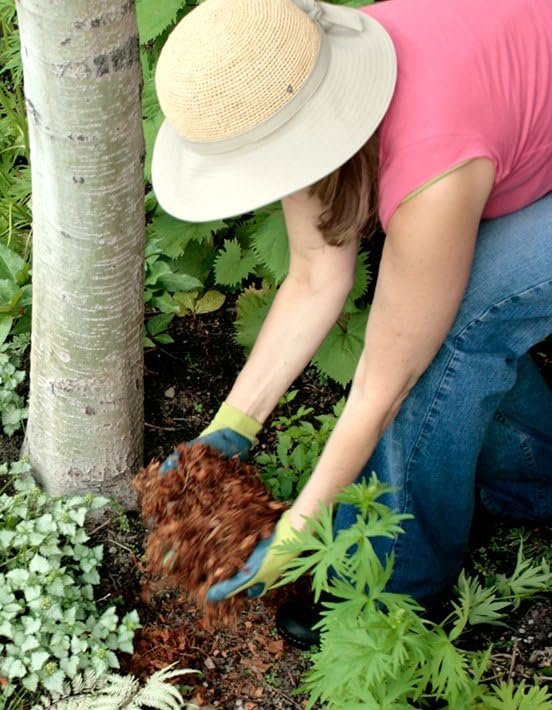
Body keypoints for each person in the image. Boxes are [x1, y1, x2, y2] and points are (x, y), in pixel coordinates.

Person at [150, 0, 552, 648]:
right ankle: (537, 469)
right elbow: (315, 273)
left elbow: (384, 384)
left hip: (463, 145)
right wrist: (230, 429)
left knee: (459, 324)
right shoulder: (297, 77)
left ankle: (396, 584)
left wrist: (298, 529)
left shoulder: (431, 164)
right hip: (496, 125)